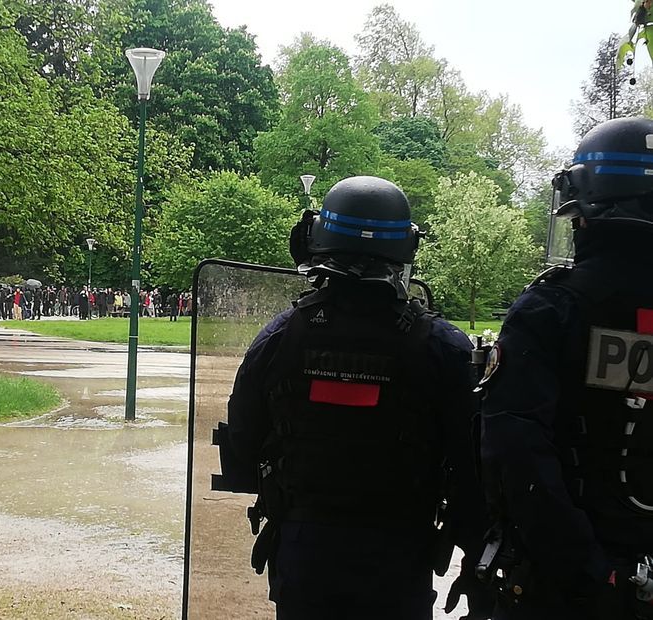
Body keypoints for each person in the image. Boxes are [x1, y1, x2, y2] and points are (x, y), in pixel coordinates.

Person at [227, 176, 491, 620]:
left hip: (304, 556)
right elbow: (474, 472)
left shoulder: (278, 338)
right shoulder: (444, 347)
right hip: (398, 559)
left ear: (316, 240)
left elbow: (241, 449)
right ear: (406, 247)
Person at [480, 117, 653, 620]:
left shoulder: (550, 309)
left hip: (565, 587)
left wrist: (592, 572)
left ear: (584, 211)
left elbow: (515, 452)